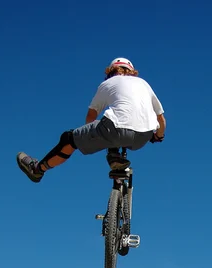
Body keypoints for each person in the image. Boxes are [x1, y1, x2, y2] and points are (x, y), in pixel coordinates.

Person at [17, 57, 166, 183]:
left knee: (70, 138)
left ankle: (37, 169)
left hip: (114, 130)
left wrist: (87, 137)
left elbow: (91, 116)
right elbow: (161, 119)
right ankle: (115, 158)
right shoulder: (144, 84)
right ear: (132, 72)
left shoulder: (108, 83)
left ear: (111, 71)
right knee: (110, 124)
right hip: (143, 137)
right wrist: (158, 136)